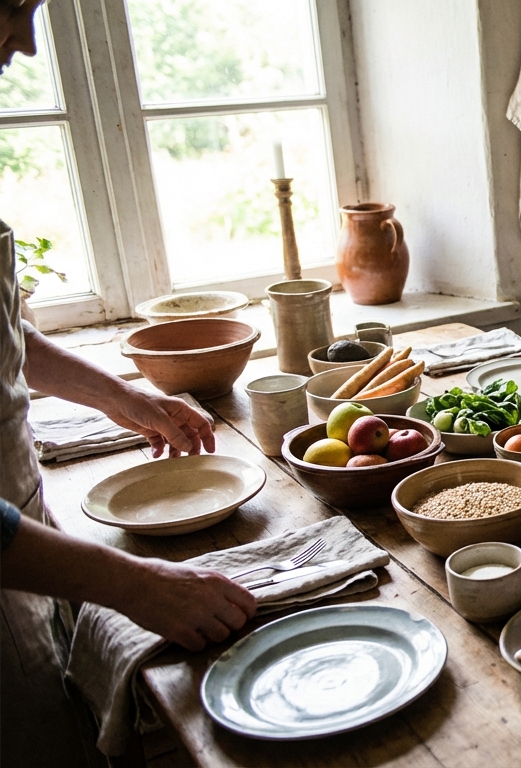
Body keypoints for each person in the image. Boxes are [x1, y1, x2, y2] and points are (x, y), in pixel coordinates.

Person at [1, 2, 255, 762]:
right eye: (12, 6)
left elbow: (7, 337)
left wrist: (125, 399)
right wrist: (136, 585)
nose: (26, 41)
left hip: (29, 539)